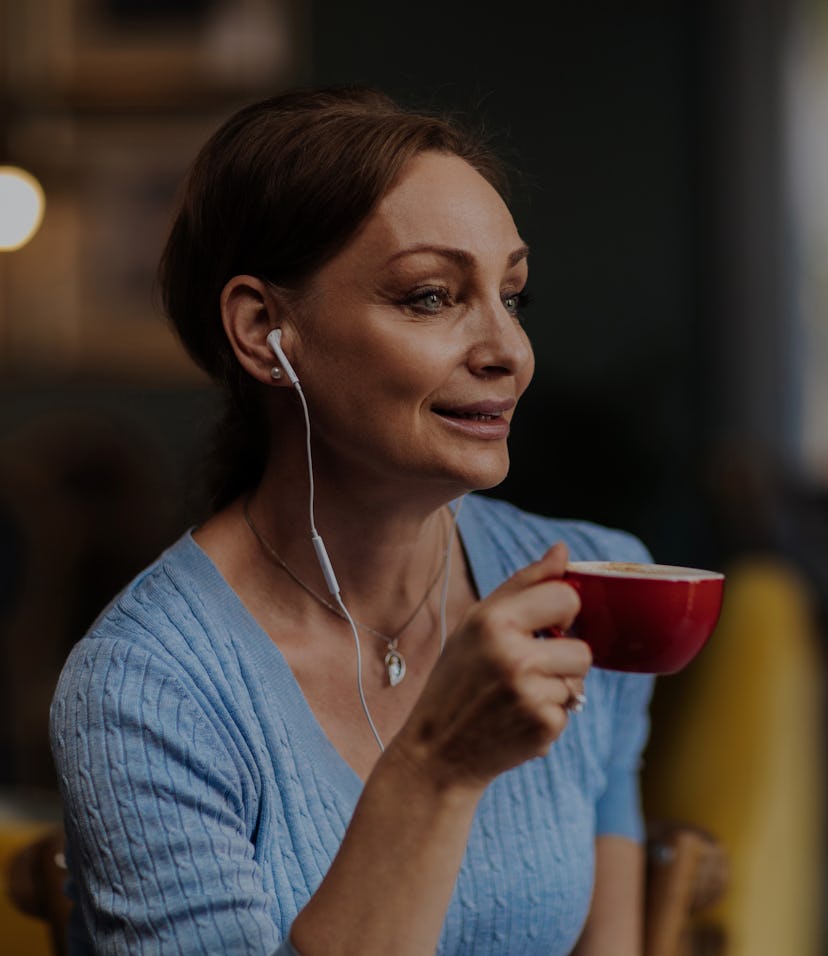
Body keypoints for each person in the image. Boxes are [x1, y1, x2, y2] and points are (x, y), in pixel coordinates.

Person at [49, 84, 655, 956]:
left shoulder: (594, 586)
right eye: (430, 297)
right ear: (265, 331)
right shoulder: (146, 691)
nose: (509, 353)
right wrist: (437, 766)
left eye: (512, 296)